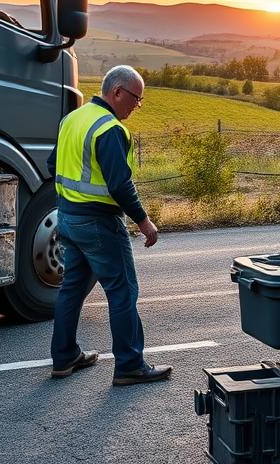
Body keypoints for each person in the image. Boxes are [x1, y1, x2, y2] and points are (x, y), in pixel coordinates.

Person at [47, 65, 171, 385]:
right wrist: (144, 222)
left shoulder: (72, 119)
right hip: (99, 223)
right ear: (117, 92)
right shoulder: (109, 128)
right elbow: (119, 185)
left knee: (72, 289)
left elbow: (52, 164)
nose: (136, 106)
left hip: (68, 218)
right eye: (135, 99)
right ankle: (130, 364)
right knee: (123, 291)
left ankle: (63, 358)